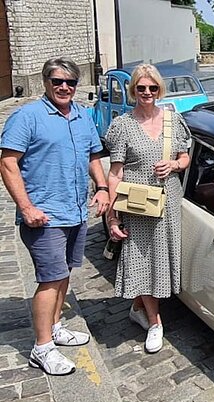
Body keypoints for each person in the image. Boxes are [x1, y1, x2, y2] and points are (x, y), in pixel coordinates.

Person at [0, 57, 109, 375]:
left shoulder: (82, 115)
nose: (64, 87)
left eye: (70, 82)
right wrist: (26, 207)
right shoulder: (27, 117)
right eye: (57, 81)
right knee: (50, 280)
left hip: (76, 211)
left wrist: (101, 187)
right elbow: (8, 163)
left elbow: (93, 154)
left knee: (64, 274)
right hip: (44, 216)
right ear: (46, 82)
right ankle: (42, 347)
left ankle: (56, 325)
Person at [105, 64, 191, 354]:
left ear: (159, 90)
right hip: (138, 204)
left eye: (152, 88)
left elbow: (184, 157)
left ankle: (139, 308)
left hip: (169, 200)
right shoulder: (123, 125)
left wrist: (176, 165)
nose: (147, 93)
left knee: (162, 259)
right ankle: (155, 323)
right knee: (142, 261)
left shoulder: (171, 119)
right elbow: (115, 173)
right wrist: (112, 216)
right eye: (141, 88)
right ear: (133, 91)